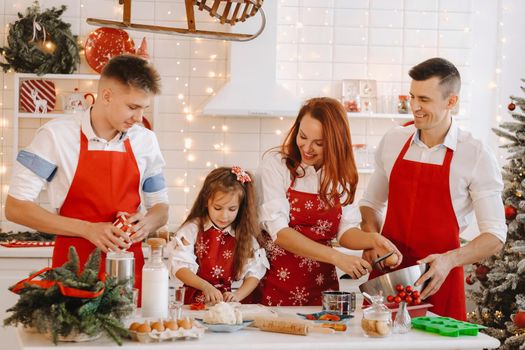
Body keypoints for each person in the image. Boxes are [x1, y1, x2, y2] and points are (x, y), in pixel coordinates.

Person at [5, 54, 170, 294]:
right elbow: (15, 207)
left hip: (128, 271)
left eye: (143, 109)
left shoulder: (146, 140)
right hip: (74, 270)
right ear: (106, 96)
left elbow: (161, 208)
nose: (139, 118)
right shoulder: (55, 136)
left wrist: (147, 223)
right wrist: (87, 229)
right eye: (132, 107)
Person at [359, 57, 506, 320]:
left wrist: (449, 260)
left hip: (439, 279)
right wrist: (372, 239)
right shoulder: (393, 140)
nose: (414, 107)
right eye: (412, 96)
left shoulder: (475, 154)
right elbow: (371, 203)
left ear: (451, 102)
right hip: (389, 278)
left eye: (424, 100)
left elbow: (495, 235)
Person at [256, 97, 401, 306]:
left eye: (319, 143)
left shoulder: (340, 174)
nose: (307, 148)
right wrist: (336, 257)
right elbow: (279, 232)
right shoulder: (276, 165)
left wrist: (373, 240)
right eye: (303, 136)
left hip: (323, 286)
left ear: (335, 142)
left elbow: (345, 232)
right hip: (276, 281)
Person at [167, 166, 268, 304]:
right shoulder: (192, 229)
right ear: (206, 201)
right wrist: (205, 286)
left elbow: (255, 273)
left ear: (240, 207)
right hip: (192, 303)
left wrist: (238, 295)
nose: (224, 215)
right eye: (218, 208)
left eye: (232, 209)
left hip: (224, 304)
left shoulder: (243, 234)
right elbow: (179, 267)